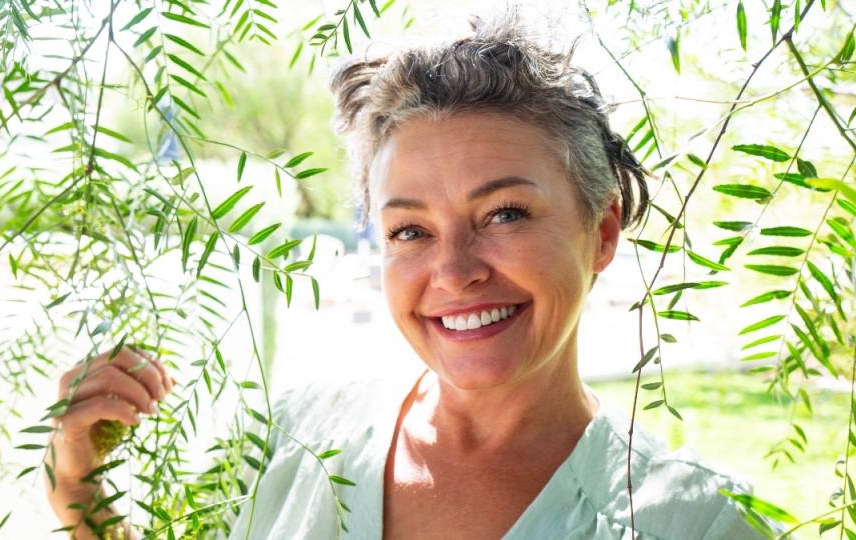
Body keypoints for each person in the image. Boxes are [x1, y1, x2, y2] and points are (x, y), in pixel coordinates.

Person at [45, 13, 769, 540]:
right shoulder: (293, 442)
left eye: (505, 213)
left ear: (602, 230)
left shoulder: (693, 521)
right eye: (411, 230)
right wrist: (78, 484)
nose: (453, 273)